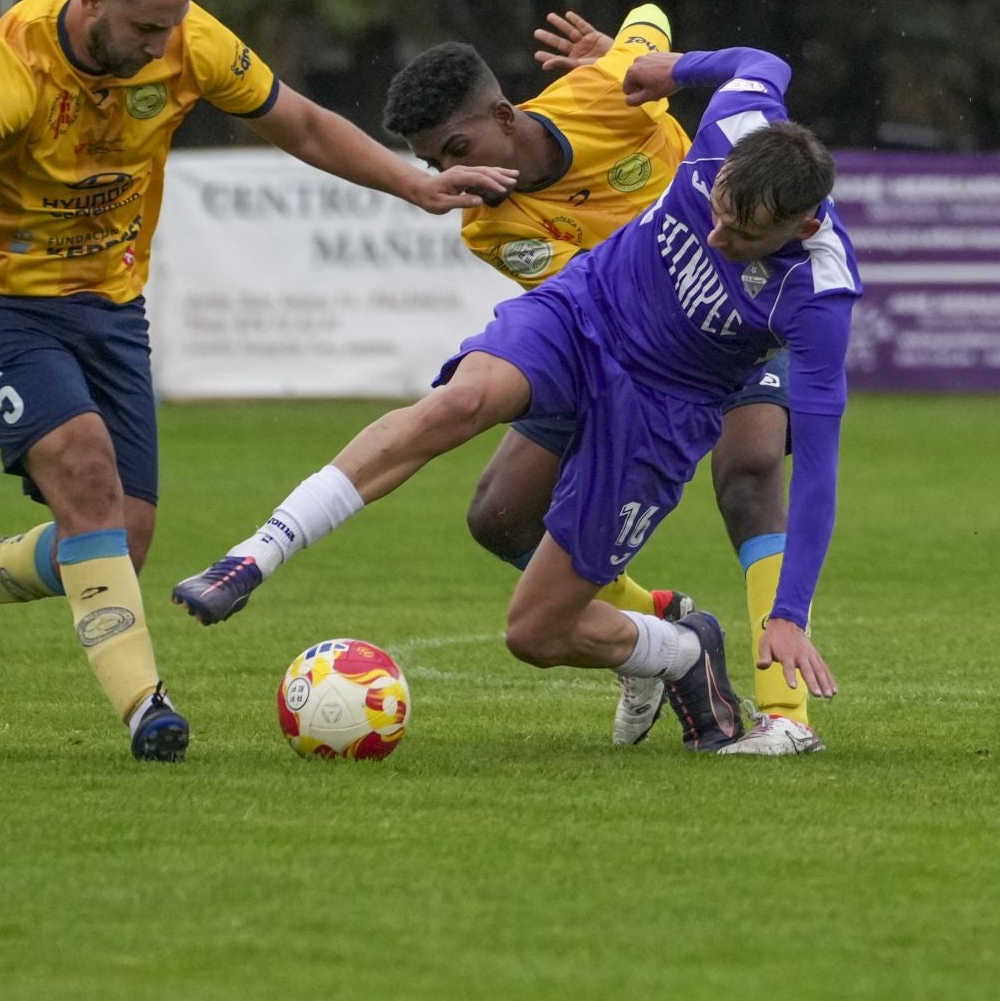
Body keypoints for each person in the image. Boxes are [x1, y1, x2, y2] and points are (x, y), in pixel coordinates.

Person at [0, 0, 513, 761]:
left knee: (119, 537)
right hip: (1, 303)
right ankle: (149, 710)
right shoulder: (4, 70)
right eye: (148, 24)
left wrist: (413, 184)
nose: (165, 42)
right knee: (84, 471)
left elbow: (298, 121)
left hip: (110, 306)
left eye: (177, 19)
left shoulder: (190, 39)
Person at [174, 43, 860, 753]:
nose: (716, 235)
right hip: (587, 305)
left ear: (802, 225)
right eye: (713, 210)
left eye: (741, 235)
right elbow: (766, 62)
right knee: (456, 404)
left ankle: (680, 652)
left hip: (662, 405)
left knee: (534, 633)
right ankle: (256, 553)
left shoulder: (818, 297)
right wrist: (675, 69)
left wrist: (788, 612)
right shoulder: (733, 121)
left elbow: (816, 466)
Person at [350, 4, 819, 754]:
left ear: (504, 117)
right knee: (499, 515)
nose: (455, 176)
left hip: (738, 309)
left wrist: (630, 64)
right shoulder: (488, 224)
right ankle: (652, 625)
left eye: (458, 150)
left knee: (752, 468)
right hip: (623, 340)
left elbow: (651, 20)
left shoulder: (600, 94)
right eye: (440, 165)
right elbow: (599, 299)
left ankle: (786, 714)